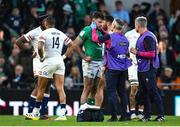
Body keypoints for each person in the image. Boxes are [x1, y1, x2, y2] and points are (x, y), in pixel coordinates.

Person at [25, 16, 73, 120]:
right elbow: (71, 45)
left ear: (46, 23)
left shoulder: (43, 33)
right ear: (54, 24)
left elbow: (39, 47)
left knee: (41, 88)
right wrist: (64, 56)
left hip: (48, 62)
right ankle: (63, 114)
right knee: (60, 89)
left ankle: (36, 112)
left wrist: (42, 57)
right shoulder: (61, 33)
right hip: (59, 61)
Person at [91, 19, 132, 121]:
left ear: (113, 25)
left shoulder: (110, 37)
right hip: (123, 70)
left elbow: (96, 39)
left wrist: (93, 29)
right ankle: (124, 116)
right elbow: (125, 52)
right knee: (122, 92)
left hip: (112, 69)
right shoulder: (125, 39)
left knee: (111, 92)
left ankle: (114, 116)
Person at [15, 15, 51, 120]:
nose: (48, 22)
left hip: (48, 63)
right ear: (41, 22)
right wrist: (29, 51)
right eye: (46, 20)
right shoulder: (35, 32)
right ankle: (30, 113)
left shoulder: (50, 31)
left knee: (47, 87)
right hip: (39, 63)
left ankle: (42, 113)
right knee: (39, 87)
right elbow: (18, 41)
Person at [130, 16, 164, 122]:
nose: (134, 26)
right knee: (145, 92)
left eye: (135, 24)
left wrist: (137, 52)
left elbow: (152, 54)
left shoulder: (147, 37)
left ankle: (161, 115)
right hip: (142, 68)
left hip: (148, 68)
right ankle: (147, 115)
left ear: (138, 25)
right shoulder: (143, 36)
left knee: (153, 91)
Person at [71, 12, 104, 110]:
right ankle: (82, 111)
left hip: (99, 62)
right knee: (87, 87)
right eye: (99, 22)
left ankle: (90, 109)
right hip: (90, 63)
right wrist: (84, 57)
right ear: (93, 20)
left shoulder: (100, 31)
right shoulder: (87, 30)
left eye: (102, 22)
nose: (101, 24)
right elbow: (74, 44)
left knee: (95, 88)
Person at [125, 29, 144, 119]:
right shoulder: (128, 34)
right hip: (132, 66)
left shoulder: (147, 35)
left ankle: (141, 112)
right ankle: (132, 112)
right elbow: (122, 47)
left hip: (143, 65)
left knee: (142, 90)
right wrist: (126, 57)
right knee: (134, 89)